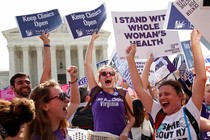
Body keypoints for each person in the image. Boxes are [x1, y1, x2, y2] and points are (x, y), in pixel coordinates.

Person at [126, 28, 206, 139]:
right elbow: (140, 89)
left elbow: (201, 78)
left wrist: (195, 44)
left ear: (180, 96)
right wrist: (130, 59)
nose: (162, 97)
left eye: (167, 94)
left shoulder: (191, 111)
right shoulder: (157, 113)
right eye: (160, 95)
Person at [84, 32, 135, 140]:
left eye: (111, 73)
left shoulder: (123, 93)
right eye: (104, 73)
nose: (108, 75)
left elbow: (132, 119)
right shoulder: (96, 92)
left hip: (120, 138)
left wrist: (126, 131)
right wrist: (92, 40)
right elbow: (87, 64)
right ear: (99, 79)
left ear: (115, 77)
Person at [24, 66, 80, 140]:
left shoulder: (59, 126)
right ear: (45, 106)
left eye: (65, 94)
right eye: (62, 96)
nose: (67, 99)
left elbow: (74, 102)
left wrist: (73, 79)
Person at [9, 32, 51, 99]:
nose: (25, 84)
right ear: (12, 87)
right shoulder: (8, 108)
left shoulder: (36, 103)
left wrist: (46, 43)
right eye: (20, 82)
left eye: (27, 82)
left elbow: (47, 71)